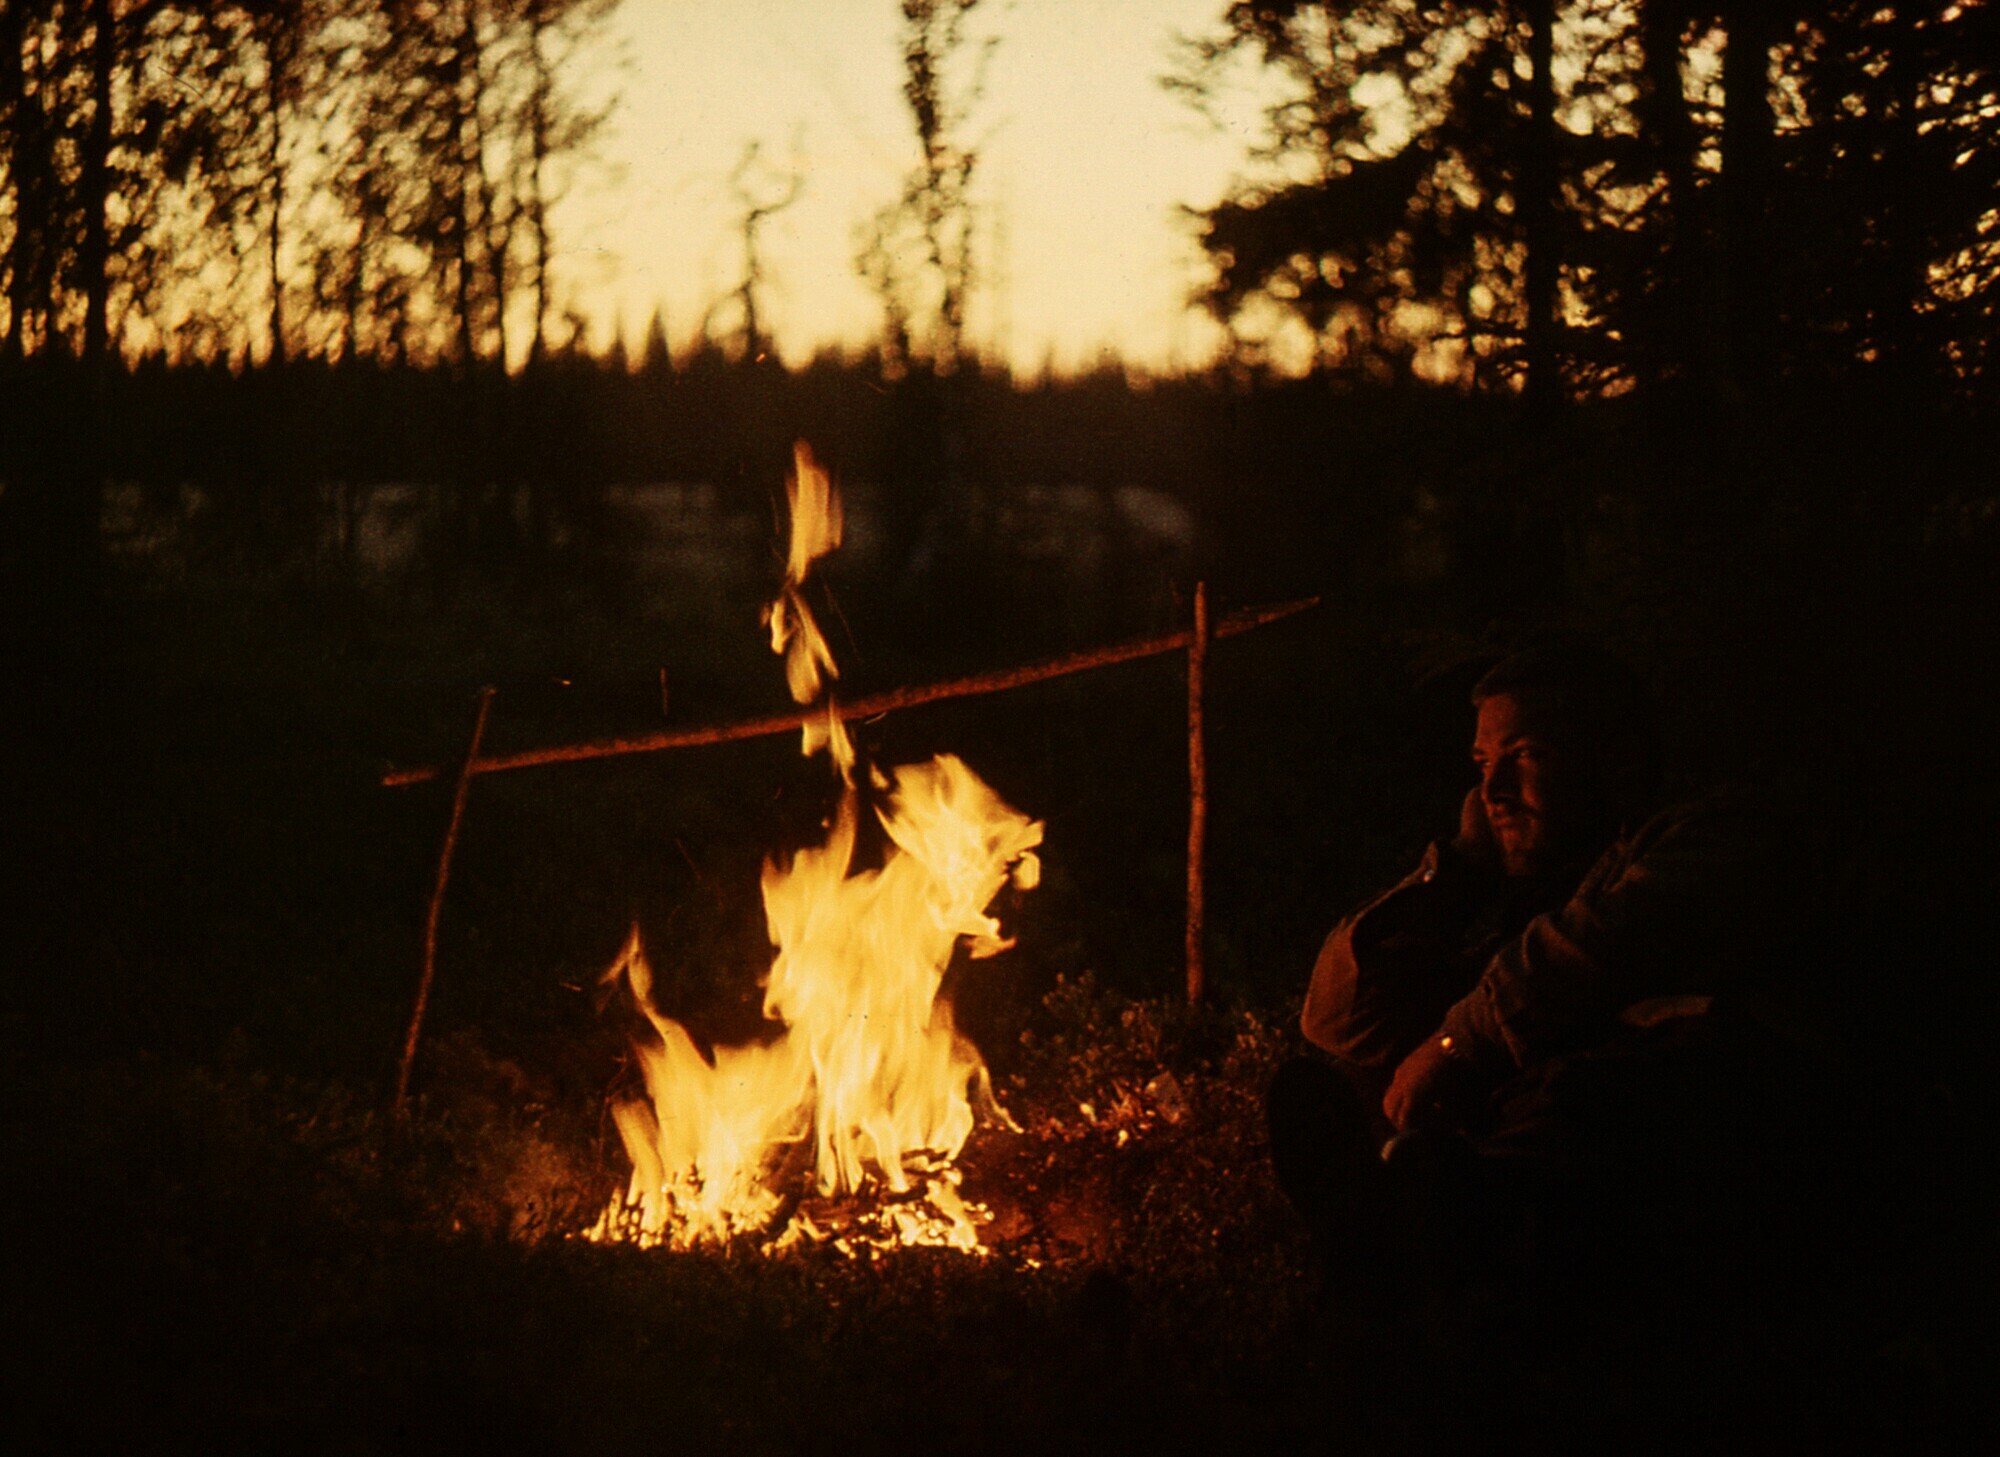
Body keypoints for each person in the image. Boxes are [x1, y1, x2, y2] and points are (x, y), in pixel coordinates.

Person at [1270, 644, 1832, 1314]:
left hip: (1701, 1163)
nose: (1493, 790)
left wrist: (1458, 1043)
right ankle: (1414, 1234)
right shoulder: (1530, 902)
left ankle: (1438, 1230)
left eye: (1525, 754)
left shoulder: (1723, 831)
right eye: (1483, 765)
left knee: (1622, 1082)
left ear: (1615, 759)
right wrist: (1460, 869)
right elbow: (1340, 1019)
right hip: (1545, 1169)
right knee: (1362, 1078)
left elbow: (1610, 942)